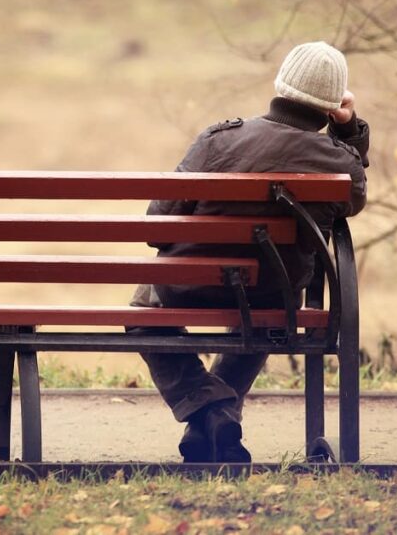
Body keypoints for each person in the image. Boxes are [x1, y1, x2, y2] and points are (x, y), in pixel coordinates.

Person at [130, 41, 369, 462]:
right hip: (273, 296)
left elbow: (157, 226)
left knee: (143, 313)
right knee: (270, 310)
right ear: (331, 106)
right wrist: (347, 131)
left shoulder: (218, 141)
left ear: (281, 86)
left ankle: (209, 410)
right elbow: (354, 195)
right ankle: (219, 412)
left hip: (187, 288)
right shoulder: (338, 164)